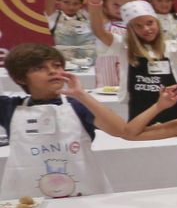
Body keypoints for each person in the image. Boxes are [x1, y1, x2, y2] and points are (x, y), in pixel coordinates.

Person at [1, 43, 144, 198]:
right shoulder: (9, 108)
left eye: (57, 65)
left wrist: (82, 95)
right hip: (28, 199)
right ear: (20, 78)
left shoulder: (78, 105)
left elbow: (121, 130)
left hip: (82, 194)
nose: (52, 71)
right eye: (39, 68)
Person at [86, 0, 177, 124]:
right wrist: (95, 3)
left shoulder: (171, 46)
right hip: (141, 110)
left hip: (174, 107)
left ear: (157, 23)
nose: (146, 29)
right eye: (138, 26)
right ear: (131, 29)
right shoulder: (124, 46)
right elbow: (99, 31)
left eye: (149, 23)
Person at [43, 0, 98, 65]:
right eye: (66, 2)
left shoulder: (87, 15)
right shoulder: (54, 17)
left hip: (91, 64)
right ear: (58, 2)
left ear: (81, 4)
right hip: (64, 65)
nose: (71, 7)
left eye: (75, 3)